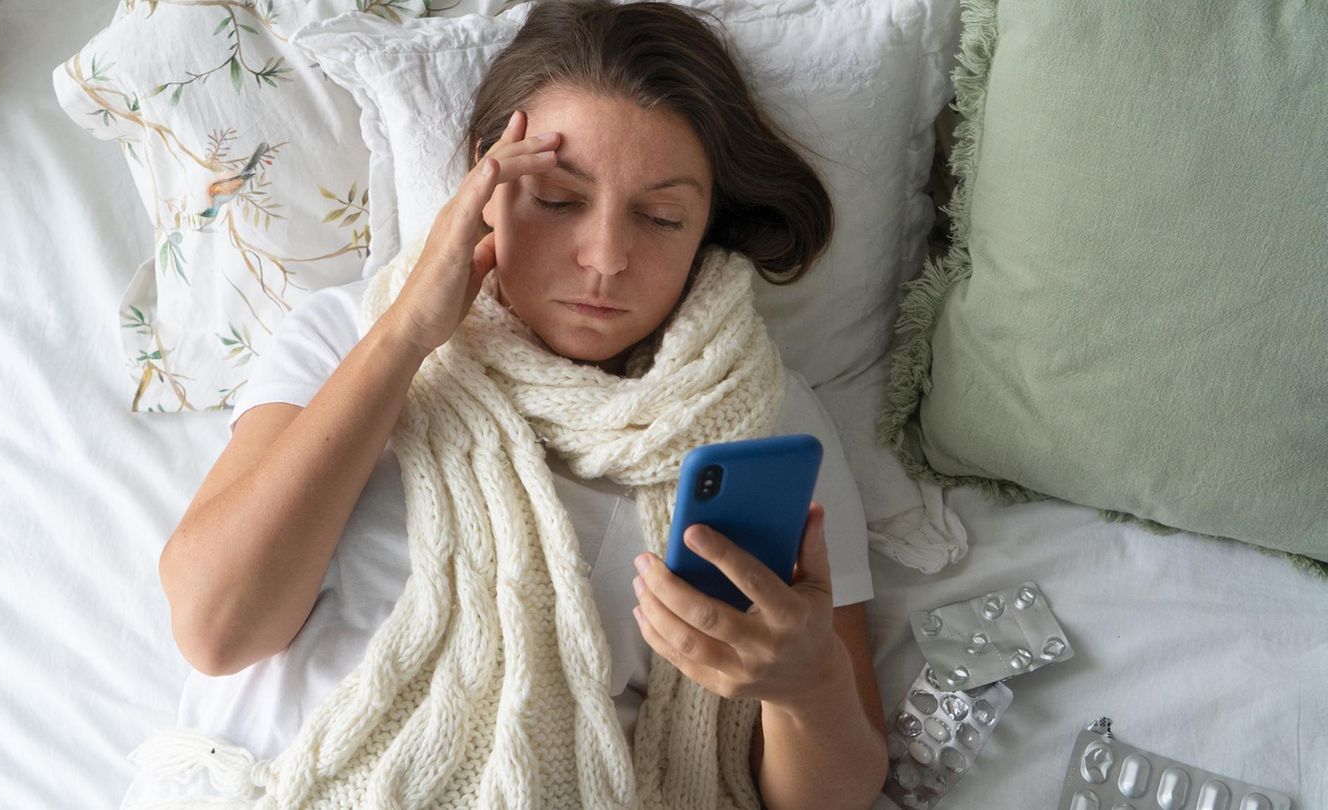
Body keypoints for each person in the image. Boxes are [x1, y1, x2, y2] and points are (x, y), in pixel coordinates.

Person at [129, 1, 888, 808]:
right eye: (558, 200)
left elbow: (834, 797)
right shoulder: (348, 333)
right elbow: (217, 629)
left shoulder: (768, 420)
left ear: (707, 226)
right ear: (485, 185)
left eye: (660, 217)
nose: (606, 257)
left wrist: (807, 686)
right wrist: (408, 337)